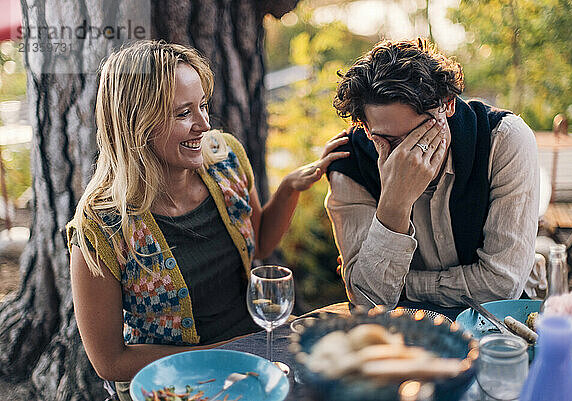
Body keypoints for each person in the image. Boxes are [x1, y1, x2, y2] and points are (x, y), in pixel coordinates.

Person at [67, 40, 348, 400]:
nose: (203, 124)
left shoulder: (225, 157)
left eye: (202, 106)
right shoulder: (101, 227)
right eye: (183, 113)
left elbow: (260, 243)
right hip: (175, 381)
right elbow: (109, 361)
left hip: (257, 356)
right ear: (136, 124)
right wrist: (223, 355)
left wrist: (290, 189)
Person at [325, 39, 539, 317]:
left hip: (492, 324)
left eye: (419, 133)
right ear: (365, 128)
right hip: (402, 333)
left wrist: (402, 285)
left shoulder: (505, 139)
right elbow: (368, 301)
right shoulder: (349, 162)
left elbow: (501, 285)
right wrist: (395, 203)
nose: (407, 155)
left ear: (447, 105)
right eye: (388, 140)